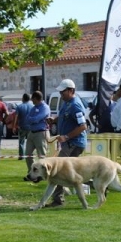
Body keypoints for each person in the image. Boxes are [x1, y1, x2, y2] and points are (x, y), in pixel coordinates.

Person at [45, 79, 88, 207]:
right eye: (60, 92)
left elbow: (83, 126)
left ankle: (58, 200)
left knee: (58, 170)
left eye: (63, 92)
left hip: (74, 143)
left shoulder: (76, 105)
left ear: (71, 91)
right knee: (70, 172)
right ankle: (98, 183)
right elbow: (64, 116)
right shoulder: (66, 103)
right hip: (70, 142)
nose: (61, 94)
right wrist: (54, 120)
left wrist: (66, 137)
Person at [23, 91, 50, 180]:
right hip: (32, 133)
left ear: (36, 98)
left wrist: (33, 119)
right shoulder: (33, 108)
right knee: (28, 154)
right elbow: (27, 118)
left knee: (42, 155)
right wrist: (33, 119)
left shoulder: (45, 108)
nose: (31, 100)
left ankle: (43, 174)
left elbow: (37, 118)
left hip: (41, 133)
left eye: (32, 99)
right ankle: (31, 173)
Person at [13, 93, 33, 160]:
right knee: (30, 142)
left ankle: (22, 156)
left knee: (21, 142)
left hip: (22, 126)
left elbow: (16, 117)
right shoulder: (32, 106)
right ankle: (30, 155)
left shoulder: (19, 106)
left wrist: (14, 126)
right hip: (30, 127)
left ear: (23, 98)